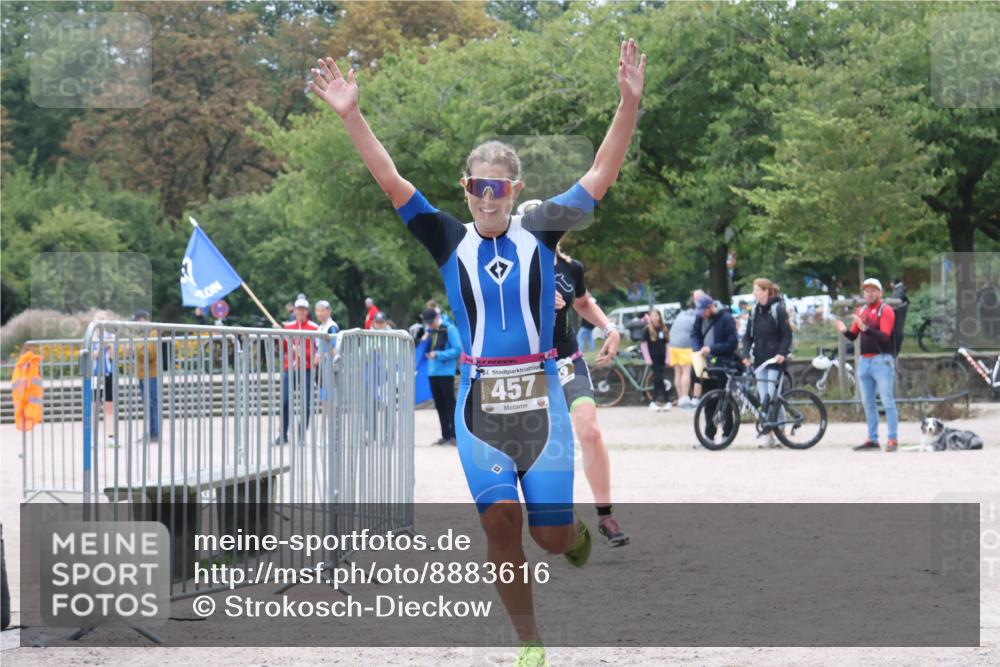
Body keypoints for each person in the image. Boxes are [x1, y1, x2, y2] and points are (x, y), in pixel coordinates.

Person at [308, 36, 645, 665]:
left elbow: (601, 174)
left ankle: (570, 534)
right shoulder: (447, 239)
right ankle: (528, 641)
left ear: (514, 190)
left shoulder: (543, 226)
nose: (486, 198)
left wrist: (627, 104)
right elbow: (391, 180)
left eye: (497, 188)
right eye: (475, 187)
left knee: (547, 535)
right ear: (464, 190)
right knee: (498, 525)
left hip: (541, 395)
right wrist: (352, 116)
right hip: (478, 402)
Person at [549, 240, 627, 546]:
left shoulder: (571, 268)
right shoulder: (513, 266)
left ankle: (605, 515)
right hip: (528, 366)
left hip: (567, 360)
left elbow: (581, 302)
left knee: (590, 430)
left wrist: (610, 329)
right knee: (545, 444)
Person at [835, 278, 899, 452]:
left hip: (881, 360)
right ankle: (872, 438)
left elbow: (885, 336)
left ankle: (892, 438)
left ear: (880, 293)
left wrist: (866, 329)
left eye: (873, 290)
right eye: (866, 291)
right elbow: (854, 335)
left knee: (887, 401)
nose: (869, 294)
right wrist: (844, 330)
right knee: (868, 403)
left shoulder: (885, 310)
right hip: (864, 361)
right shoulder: (861, 310)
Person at [741, 279, 793, 448]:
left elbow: (787, 335)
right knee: (763, 398)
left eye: (757, 290)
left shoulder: (778, 309)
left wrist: (782, 353)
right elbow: (747, 336)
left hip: (774, 359)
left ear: (766, 291)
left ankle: (781, 432)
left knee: (773, 397)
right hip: (760, 359)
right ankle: (768, 432)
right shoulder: (754, 311)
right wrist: (745, 353)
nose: (754, 293)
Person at [691, 294, 739, 443]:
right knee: (708, 400)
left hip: (723, 363)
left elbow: (732, 343)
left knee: (725, 401)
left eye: (704, 312)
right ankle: (709, 435)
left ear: (711, 307)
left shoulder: (726, 319)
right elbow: (695, 334)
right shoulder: (700, 318)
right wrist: (699, 349)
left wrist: (711, 349)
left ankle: (727, 434)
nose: (702, 316)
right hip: (706, 364)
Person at [276, 295, 318, 446]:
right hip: (290, 368)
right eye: (298, 309)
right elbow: (284, 349)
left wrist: (303, 352)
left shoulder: (314, 328)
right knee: (285, 401)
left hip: (306, 369)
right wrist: (280, 338)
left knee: (305, 403)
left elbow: (316, 351)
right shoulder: (288, 327)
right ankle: (283, 433)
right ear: (294, 310)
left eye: (303, 309)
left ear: (307, 311)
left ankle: (301, 435)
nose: (300, 312)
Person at [422, 308, 461, 445]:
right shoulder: (429, 331)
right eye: (427, 323)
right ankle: (445, 435)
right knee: (439, 406)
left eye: (430, 322)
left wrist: (439, 355)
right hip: (433, 372)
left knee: (450, 404)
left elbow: (457, 349)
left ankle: (456, 436)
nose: (429, 325)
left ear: (437, 317)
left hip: (446, 372)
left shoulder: (449, 329)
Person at [132, 310, 160, 443]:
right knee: (148, 405)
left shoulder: (153, 333)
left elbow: (149, 355)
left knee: (152, 404)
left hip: (151, 375)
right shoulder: (143, 334)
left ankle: (155, 432)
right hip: (142, 375)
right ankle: (151, 431)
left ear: (143, 320)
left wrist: (137, 347)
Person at [669, 301, 697, 409]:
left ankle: (680, 397)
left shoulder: (680, 315)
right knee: (686, 372)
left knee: (677, 373)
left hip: (673, 346)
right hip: (685, 346)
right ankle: (685, 397)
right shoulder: (694, 318)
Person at [642, 308, 670, 412]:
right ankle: (663, 401)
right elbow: (643, 345)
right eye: (652, 316)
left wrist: (668, 358)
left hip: (662, 358)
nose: (654, 318)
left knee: (657, 380)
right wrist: (647, 359)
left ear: (659, 317)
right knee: (658, 378)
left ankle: (657, 402)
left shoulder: (664, 329)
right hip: (653, 358)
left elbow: (667, 345)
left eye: (656, 315)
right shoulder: (647, 329)